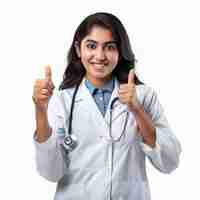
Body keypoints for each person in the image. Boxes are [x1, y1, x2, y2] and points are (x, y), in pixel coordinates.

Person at [33, 12, 181, 200]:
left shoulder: (143, 96)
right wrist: (40, 110)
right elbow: (50, 172)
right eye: (91, 46)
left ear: (120, 51)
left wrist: (137, 110)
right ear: (79, 49)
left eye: (109, 47)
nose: (100, 56)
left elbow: (169, 161)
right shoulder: (62, 101)